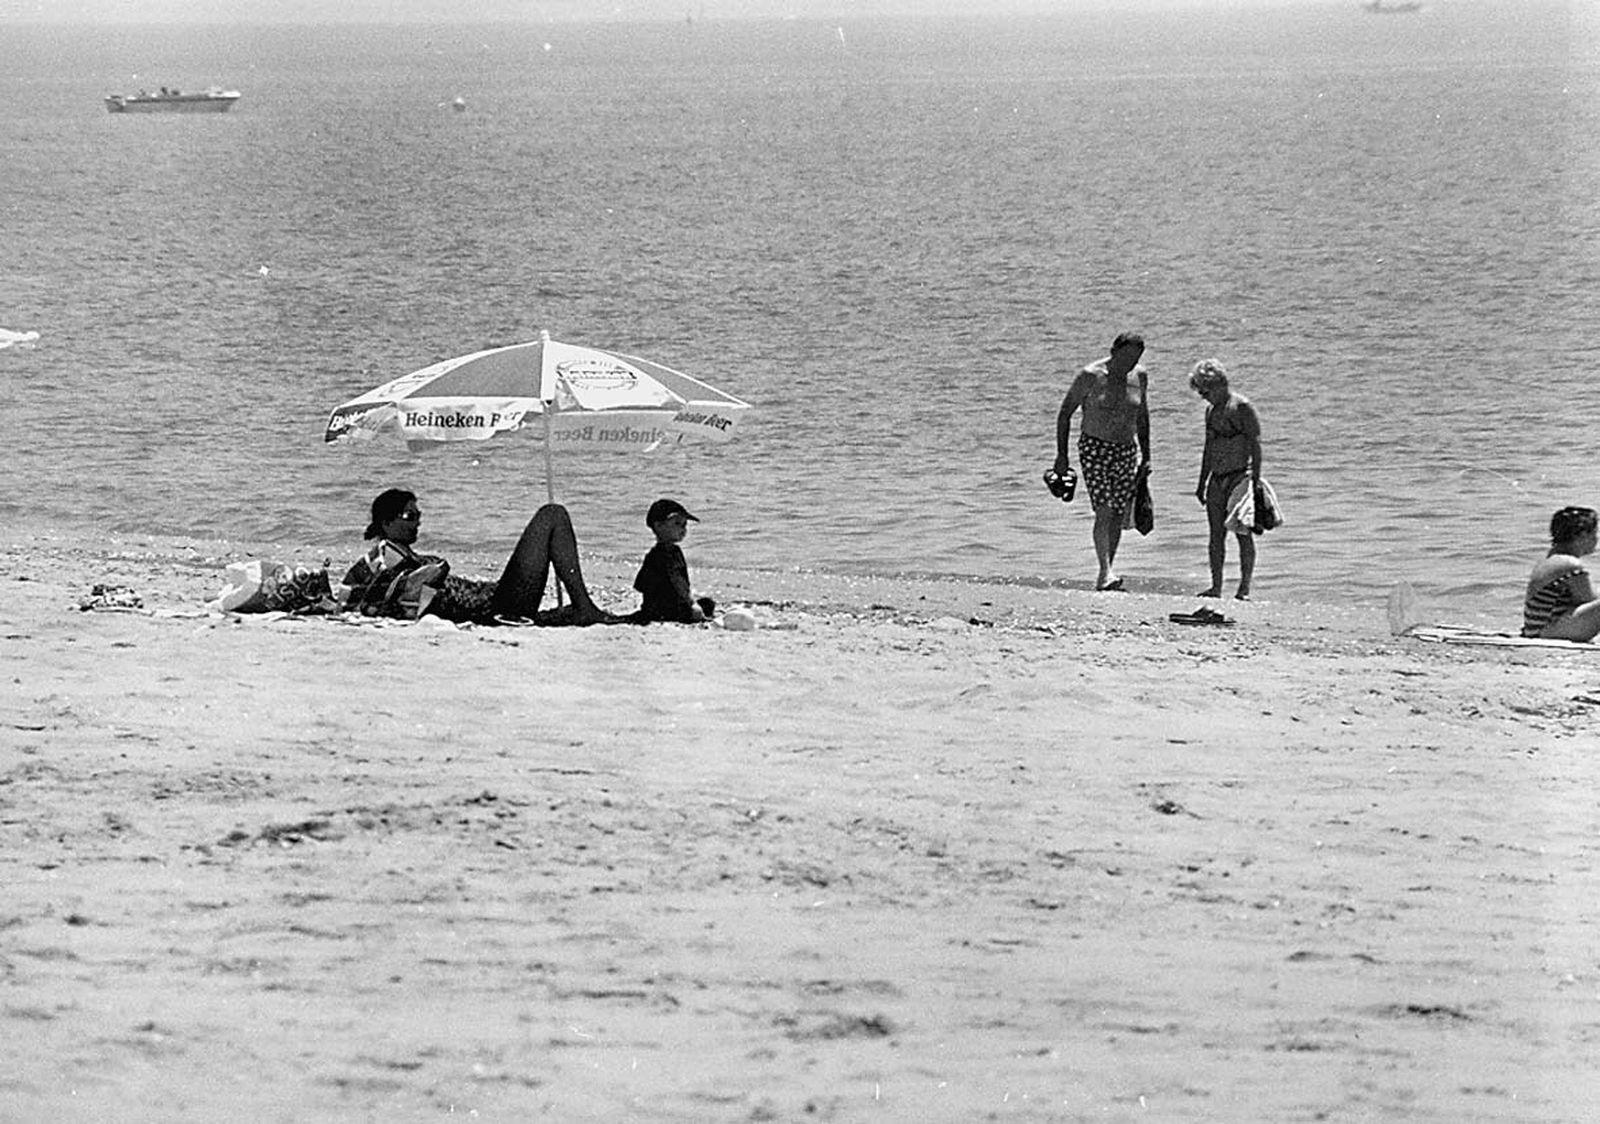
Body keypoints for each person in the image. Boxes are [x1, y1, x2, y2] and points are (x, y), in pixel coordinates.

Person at [341, 488, 616, 625]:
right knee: (552, 515)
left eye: (418, 516)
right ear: (387, 523)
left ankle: (579, 607)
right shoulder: (386, 557)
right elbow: (369, 596)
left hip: (494, 599)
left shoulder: (400, 555)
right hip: (494, 606)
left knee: (552, 516)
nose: (417, 523)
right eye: (409, 516)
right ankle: (584, 607)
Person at [1053, 332, 1152, 591]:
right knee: (1104, 509)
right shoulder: (1091, 375)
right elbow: (1065, 414)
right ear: (1114, 351)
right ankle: (1106, 571)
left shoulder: (1139, 376)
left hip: (1126, 449)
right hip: (1094, 447)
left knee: (1118, 513)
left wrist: (1147, 455)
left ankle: (1107, 572)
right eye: (1127, 356)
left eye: (1136, 357)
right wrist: (1061, 456)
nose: (1130, 363)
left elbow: (1142, 417)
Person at [1189, 358, 1264, 600]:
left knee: (1243, 533)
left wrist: (1255, 480)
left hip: (1239, 477)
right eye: (1200, 391)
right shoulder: (1211, 411)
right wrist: (1202, 483)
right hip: (1216, 480)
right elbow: (1208, 448)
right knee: (1215, 536)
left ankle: (1244, 588)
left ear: (1219, 384)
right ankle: (1216, 586)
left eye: (1205, 390)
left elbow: (1255, 445)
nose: (1203, 396)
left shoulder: (1241, 406)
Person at [632, 498, 715, 624]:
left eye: (684, 525)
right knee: (703, 607)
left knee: (707, 603)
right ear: (658, 526)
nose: (683, 529)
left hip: (657, 607)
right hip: (667, 610)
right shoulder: (667, 555)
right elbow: (679, 583)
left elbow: (640, 584)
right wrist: (691, 604)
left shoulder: (658, 553)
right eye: (677, 524)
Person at [1523, 506, 1600, 641]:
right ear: (1582, 536)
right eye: (1594, 533)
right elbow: (1589, 599)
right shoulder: (1570, 564)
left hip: (1537, 629)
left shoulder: (1552, 558)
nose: (1597, 538)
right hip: (1547, 631)